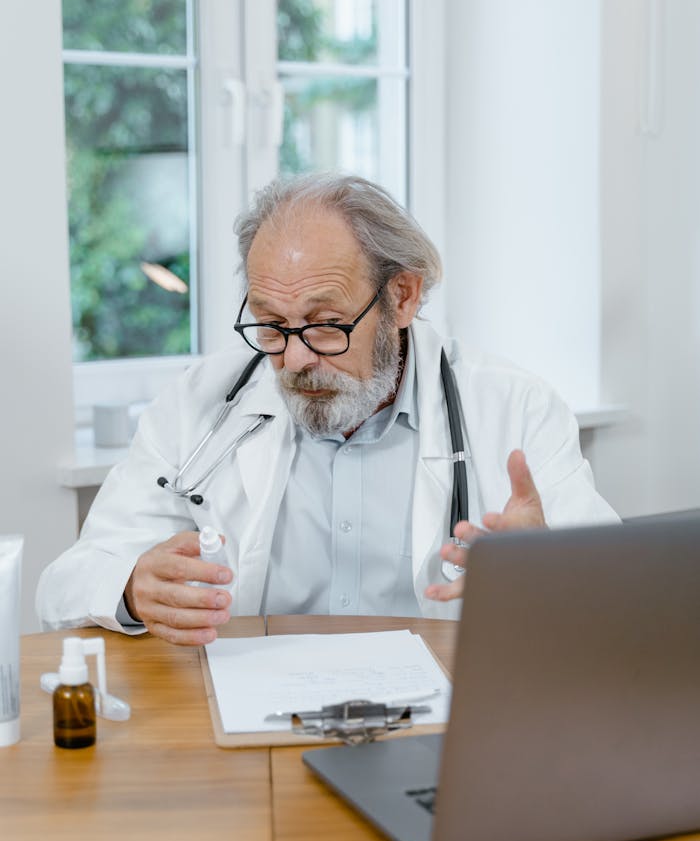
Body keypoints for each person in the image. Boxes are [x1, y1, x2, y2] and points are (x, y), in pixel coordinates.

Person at [37, 174, 618, 645]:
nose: (292, 359)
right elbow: (64, 585)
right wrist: (134, 587)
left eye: (323, 324)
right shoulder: (200, 403)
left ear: (402, 296)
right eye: (270, 324)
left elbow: (625, 603)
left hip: (437, 724)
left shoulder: (515, 409)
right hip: (252, 715)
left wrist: (550, 577)